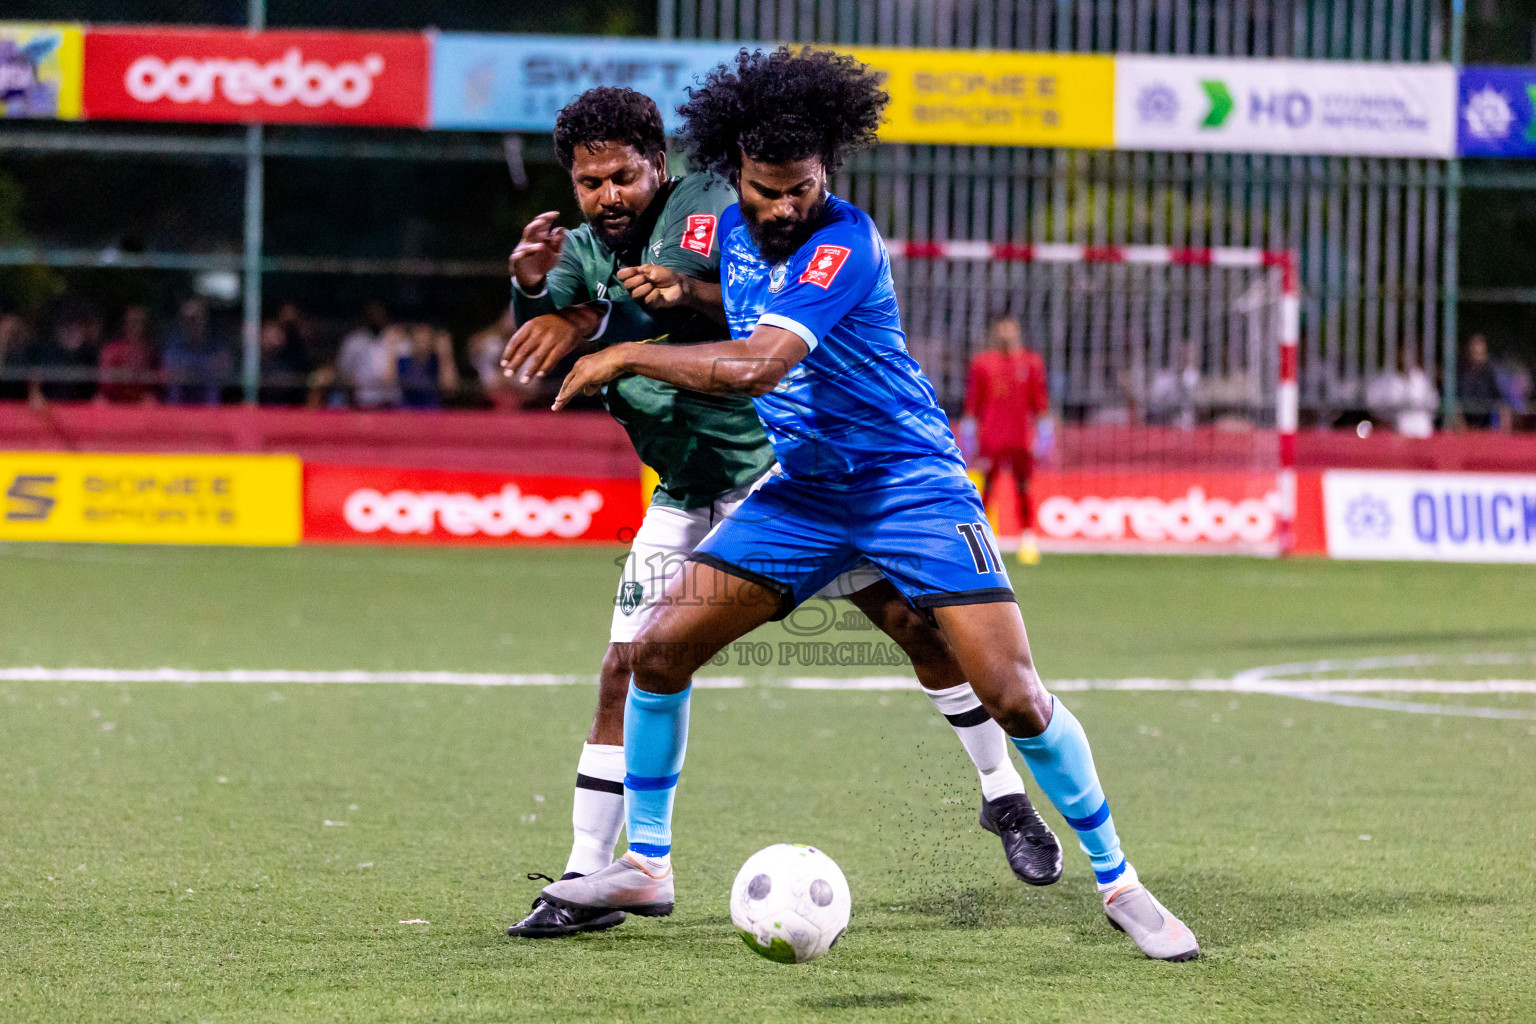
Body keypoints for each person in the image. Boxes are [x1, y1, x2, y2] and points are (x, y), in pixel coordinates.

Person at [540, 48, 1198, 962]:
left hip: (909, 486)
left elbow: (757, 364)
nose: (783, 208)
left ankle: (1120, 880)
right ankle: (645, 864)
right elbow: (736, 307)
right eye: (766, 190)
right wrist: (680, 293)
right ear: (737, 174)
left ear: (829, 175)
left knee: (1012, 693)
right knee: (655, 651)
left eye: (801, 188)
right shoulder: (731, 234)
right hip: (805, 491)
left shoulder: (846, 240)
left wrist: (623, 354)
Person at [500, 86, 1061, 938]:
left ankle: (1004, 796)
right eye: (588, 181)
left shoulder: (719, 208)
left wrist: (676, 304)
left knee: (916, 625)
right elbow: (566, 319)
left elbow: (769, 316)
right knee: (633, 662)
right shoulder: (583, 247)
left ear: (661, 163)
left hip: (775, 476)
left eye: (621, 176)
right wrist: (531, 289)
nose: (607, 195)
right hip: (683, 488)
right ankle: (592, 875)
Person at [963, 314, 1051, 565]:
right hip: (991, 440)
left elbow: (1039, 400)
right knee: (985, 490)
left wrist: (1044, 431)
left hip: (1021, 440)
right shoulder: (982, 364)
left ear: (1017, 331)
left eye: (1009, 328)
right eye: (1001, 328)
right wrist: (969, 432)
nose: (1005, 333)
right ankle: (981, 540)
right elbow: (973, 401)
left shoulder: (1031, 363)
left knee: (1023, 488)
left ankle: (1028, 538)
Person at [27, 301, 101, 405]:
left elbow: (95, 391)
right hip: (51, 408)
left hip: (81, 411)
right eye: (69, 329)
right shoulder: (48, 351)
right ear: (59, 330)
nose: (73, 334)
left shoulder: (90, 354)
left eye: (77, 329)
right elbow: (35, 379)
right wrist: (35, 395)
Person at [161, 298, 230, 406]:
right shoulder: (173, 347)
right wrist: (204, 372)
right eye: (186, 320)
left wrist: (189, 373)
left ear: (204, 320)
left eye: (194, 319)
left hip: (209, 412)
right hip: (178, 410)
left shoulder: (216, 347)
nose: (190, 324)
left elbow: (223, 370)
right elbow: (171, 374)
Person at [336, 301, 400, 408]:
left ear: (385, 315)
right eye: (372, 314)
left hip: (390, 402)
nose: (376, 317)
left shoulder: (396, 339)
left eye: (379, 313)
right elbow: (344, 371)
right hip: (363, 401)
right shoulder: (353, 341)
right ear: (366, 316)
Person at [1365, 346, 1436, 439]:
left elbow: (1433, 402)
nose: (1406, 358)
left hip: (1422, 431)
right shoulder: (1385, 379)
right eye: (1403, 355)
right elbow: (1373, 403)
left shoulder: (1421, 379)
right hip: (1394, 433)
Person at [97, 305, 158, 404]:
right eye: (132, 321)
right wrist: (122, 376)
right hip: (115, 396)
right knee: (99, 402)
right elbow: (105, 380)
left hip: (140, 398)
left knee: (151, 402)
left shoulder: (151, 350)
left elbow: (158, 379)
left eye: (139, 322)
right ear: (125, 324)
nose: (135, 326)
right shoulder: (112, 350)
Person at [395, 323, 458, 409]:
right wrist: (391, 347)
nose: (422, 342)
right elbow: (388, 385)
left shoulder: (437, 361)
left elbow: (450, 389)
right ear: (412, 340)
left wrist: (446, 355)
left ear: (432, 341)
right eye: (418, 339)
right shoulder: (402, 361)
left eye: (425, 339)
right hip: (406, 411)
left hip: (432, 411)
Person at [1460, 334, 1506, 430]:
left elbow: (1501, 400)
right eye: (1474, 352)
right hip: (1464, 428)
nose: (1477, 356)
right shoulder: (1460, 372)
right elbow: (1453, 402)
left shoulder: (1490, 372)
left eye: (1480, 353)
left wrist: (1504, 431)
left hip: (1485, 427)